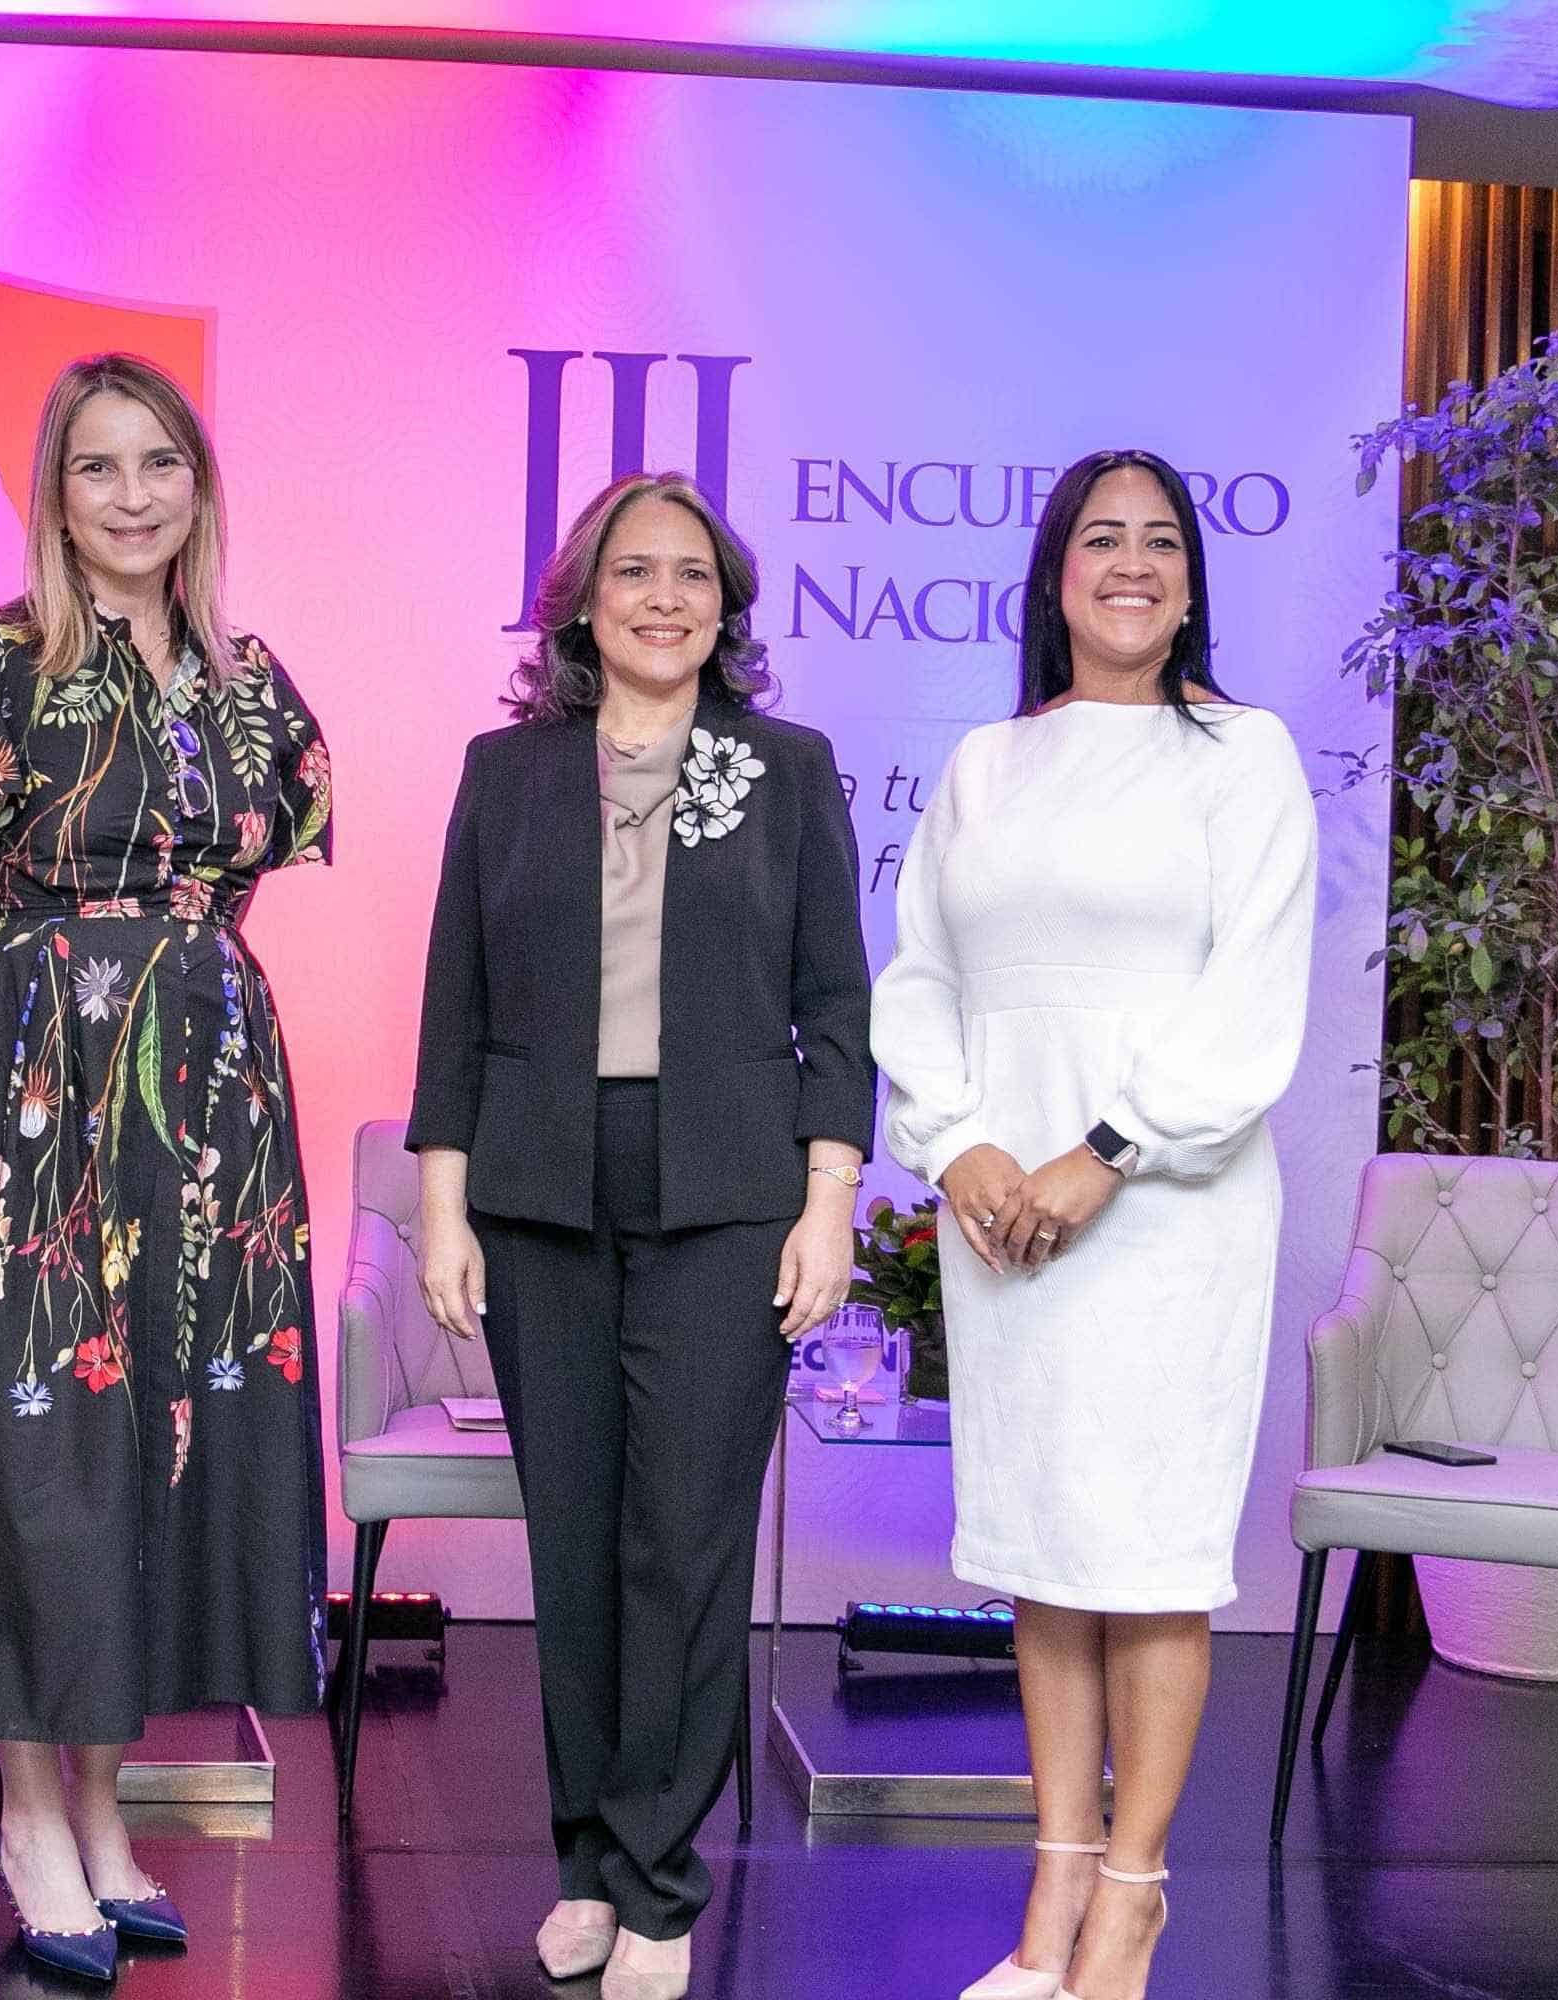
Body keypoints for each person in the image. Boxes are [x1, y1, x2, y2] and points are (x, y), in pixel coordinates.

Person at [0, 352, 333, 1984]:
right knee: (40, 1466)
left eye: (161, 465)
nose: (133, 496)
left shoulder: (248, 682)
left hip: (207, 1122)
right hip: (34, 1129)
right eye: (97, 468)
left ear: (199, 487)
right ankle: (30, 1823)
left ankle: (108, 1818)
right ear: (56, 496)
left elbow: (234, 893)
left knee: (153, 1465)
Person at [408, 472, 874, 2000]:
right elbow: (455, 1009)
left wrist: (827, 1203)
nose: (664, 598)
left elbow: (836, 1011)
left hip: (729, 1197)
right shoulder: (508, 771)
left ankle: (664, 1885)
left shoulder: (787, 768)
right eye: (633, 573)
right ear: (583, 603)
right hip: (541, 1191)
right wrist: (442, 1207)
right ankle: (588, 1864)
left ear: (726, 606)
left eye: (693, 576)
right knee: (583, 1547)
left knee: (684, 1543)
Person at [872, 449, 1317, 2000]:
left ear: (1191, 584)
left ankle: (1133, 1899)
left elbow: (1252, 992)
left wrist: (1104, 1152)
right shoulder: (987, 765)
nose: (1132, 563)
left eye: (1162, 542)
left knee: (1150, 1555)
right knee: (1046, 1555)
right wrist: (965, 1149)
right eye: (1101, 540)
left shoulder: (1240, 755)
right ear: (1055, 574)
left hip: (1167, 1208)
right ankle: (1050, 1893)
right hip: (1008, 1220)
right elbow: (919, 976)